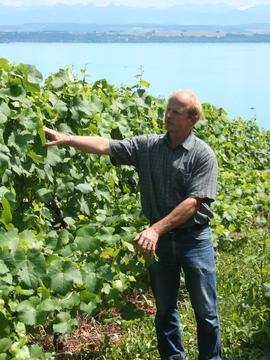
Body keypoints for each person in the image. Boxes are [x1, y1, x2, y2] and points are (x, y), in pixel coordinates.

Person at [43, 89, 221, 360]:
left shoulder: (202, 155)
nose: (168, 115)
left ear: (193, 118)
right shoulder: (148, 146)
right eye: (168, 109)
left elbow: (193, 204)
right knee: (164, 310)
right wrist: (67, 139)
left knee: (206, 311)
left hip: (193, 240)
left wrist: (155, 229)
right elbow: (106, 145)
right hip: (160, 242)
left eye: (176, 112)